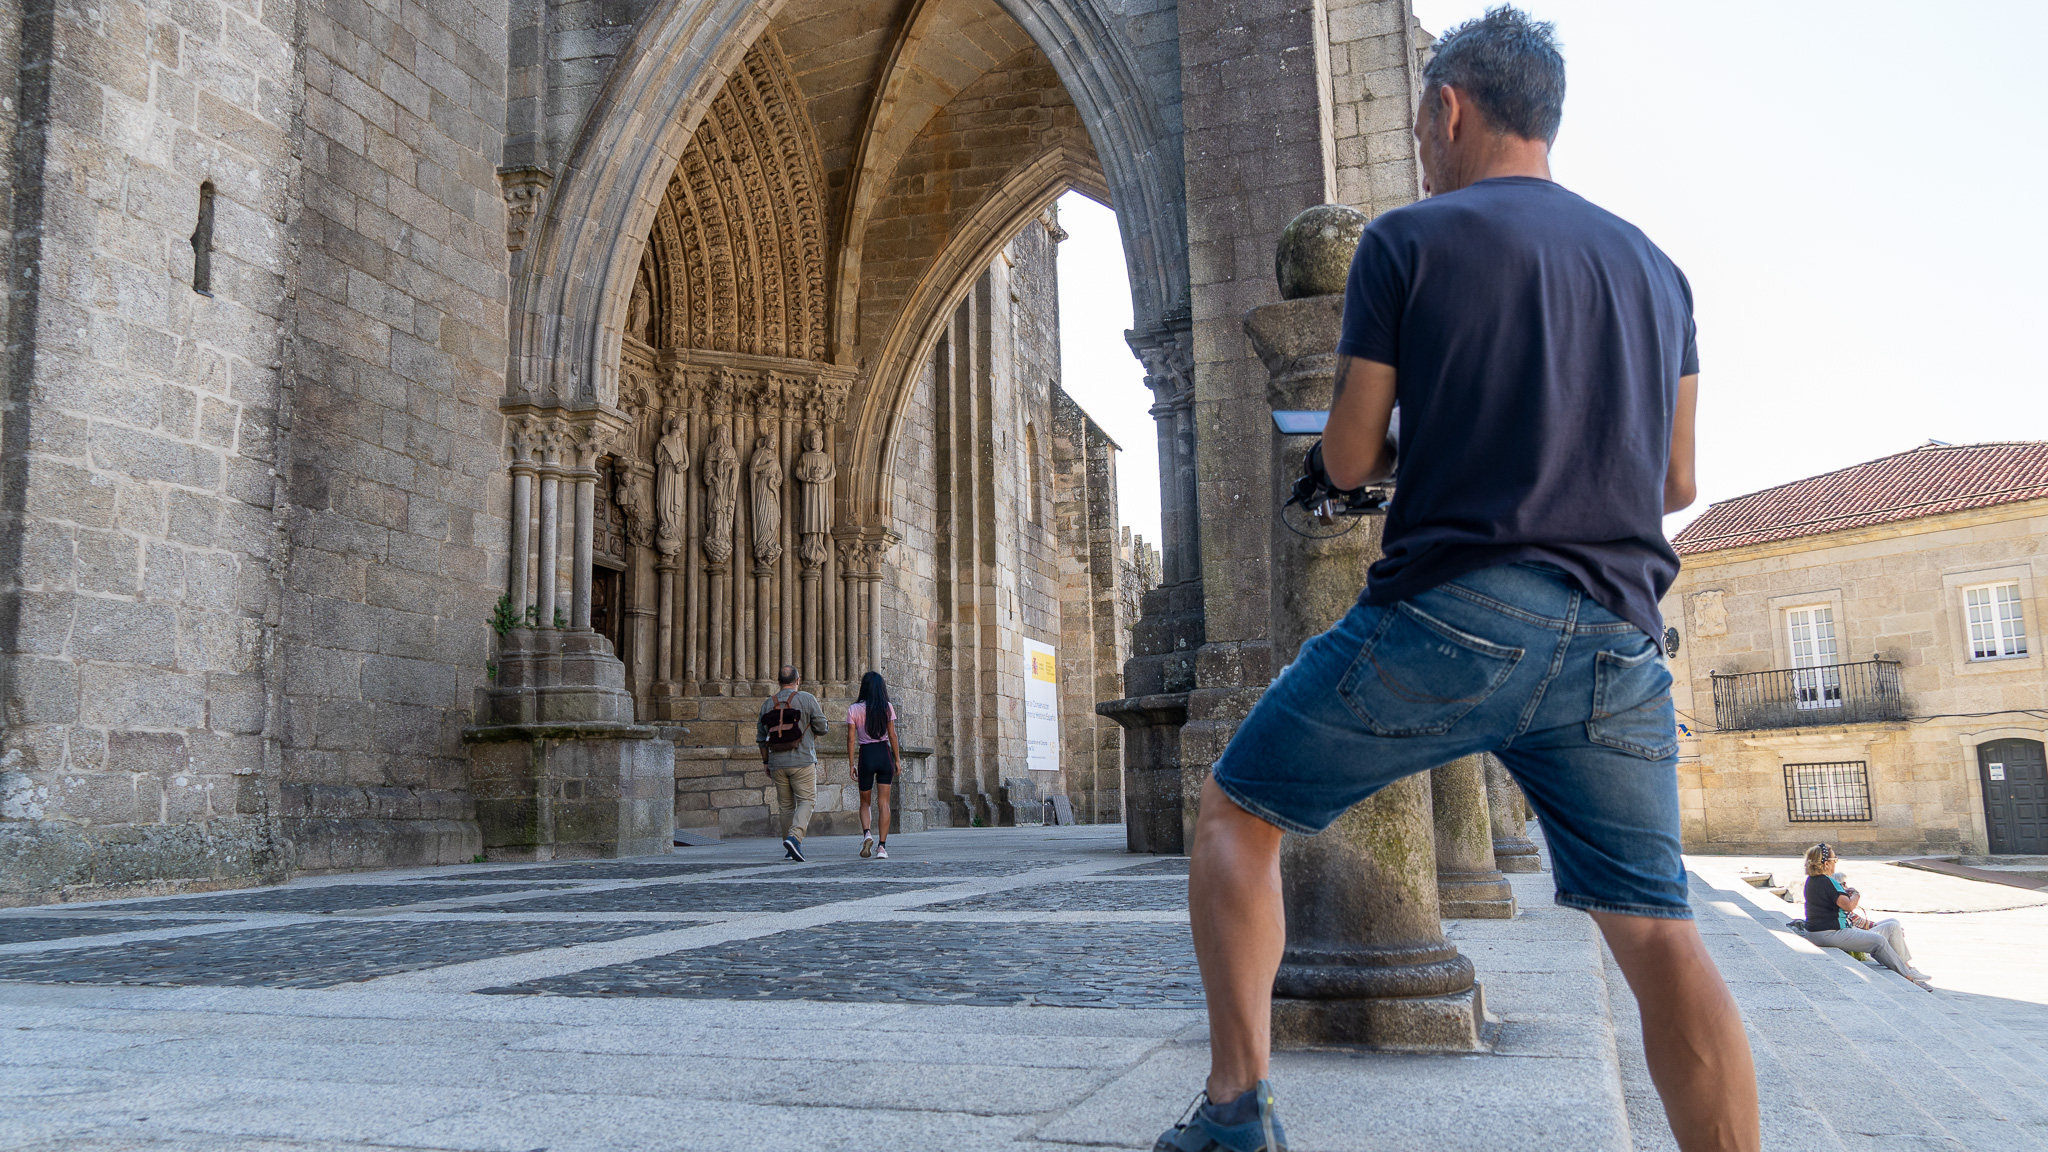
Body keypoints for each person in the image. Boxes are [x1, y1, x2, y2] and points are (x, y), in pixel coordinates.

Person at [1156, 10, 1763, 1152]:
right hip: (1614, 644)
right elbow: (1674, 479)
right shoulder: (1656, 269)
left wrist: (1399, 460)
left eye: (1423, 128)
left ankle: (1236, 1112)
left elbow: (1342, 455)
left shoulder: (1408, 241)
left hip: (1453, 617)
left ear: (1448, 109)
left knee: (1237, 813)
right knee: (1656, 936)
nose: (1423, 152)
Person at [1800, 844, 1930, 988]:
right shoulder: (1827, 882)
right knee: (1879, 941)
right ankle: (1908, 975)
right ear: (1826, 863)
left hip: (1821, 932)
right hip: (1830, 933)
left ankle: (1907, 967)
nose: (1835, 863)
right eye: (1834, 859)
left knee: (1892, 925)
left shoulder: (1812, 881)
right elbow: (1848, 906)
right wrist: (1856, 894)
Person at [758, 665, 828, 862]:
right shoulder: (806, 698)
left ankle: (789, 848)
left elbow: (761, 737)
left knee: (786, 806)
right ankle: (794, 838)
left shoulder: (767, 704)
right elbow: (822, 727)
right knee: (807, 800)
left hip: (777, 761)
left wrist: (766, 762)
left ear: (778, 682)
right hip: (802, 759)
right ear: (798, 680)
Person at [846, 671, 903, 859]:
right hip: (883, 753)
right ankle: (882, 848)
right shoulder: (887, 707)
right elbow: (893, 735)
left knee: (865, 802)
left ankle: (867, 833)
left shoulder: (854, 709)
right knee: (884, 803)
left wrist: (851, 764)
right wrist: (897, 759)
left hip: (866, 755)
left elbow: (851, 739)